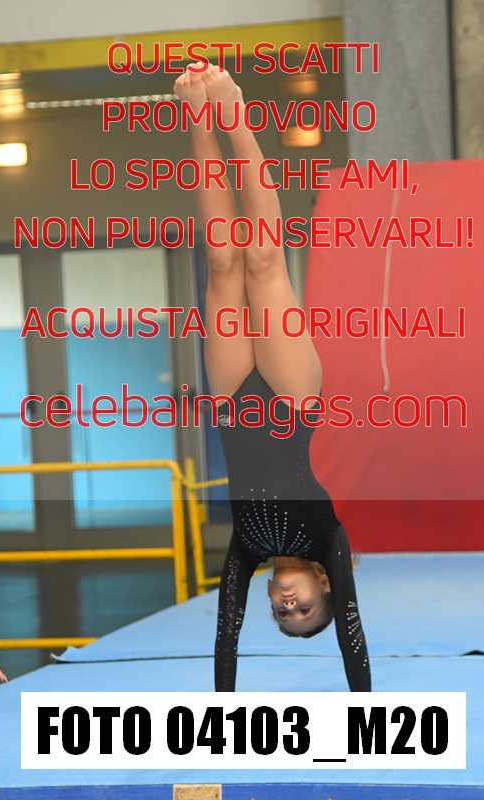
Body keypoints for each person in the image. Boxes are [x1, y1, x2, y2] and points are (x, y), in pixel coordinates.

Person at [174, 63, 370, 692]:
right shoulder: (328, 538)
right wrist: (364, 712)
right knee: (262, 259)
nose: (289, 605)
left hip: (234, 400)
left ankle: (197, 117)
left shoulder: (247, 550)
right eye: (304, 609)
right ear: (326, 584)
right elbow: (352, 636)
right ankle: (232, 110)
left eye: (282, 615)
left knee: (221, 260)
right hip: (291, 400)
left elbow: (225, 633)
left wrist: (222, 716)